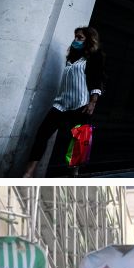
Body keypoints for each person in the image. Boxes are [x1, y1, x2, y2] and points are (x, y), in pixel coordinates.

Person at [22, 26, 104, 177]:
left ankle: (74, 173)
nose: (76, 40)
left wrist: (93, 101)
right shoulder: (71, 57)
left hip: (81, 104)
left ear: (88, 41)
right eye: (75, 37)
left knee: (78, 142)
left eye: (80, 38)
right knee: (42, 135)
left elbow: (96, 79)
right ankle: (28, 173)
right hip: (61, 103)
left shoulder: (93, 58)